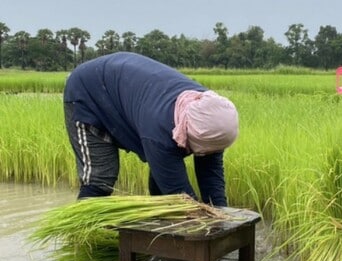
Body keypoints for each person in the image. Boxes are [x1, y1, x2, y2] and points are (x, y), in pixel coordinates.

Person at [63, 52, 239, 207]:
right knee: (100, 179)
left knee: (164, 174)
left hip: (129, 88)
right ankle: (83, 237)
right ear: (185, 133)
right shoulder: (160, 132)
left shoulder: (212, 116)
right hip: (89, 94)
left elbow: (211, 178)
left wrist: (222, 214)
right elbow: (180, 198)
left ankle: (161, 234)